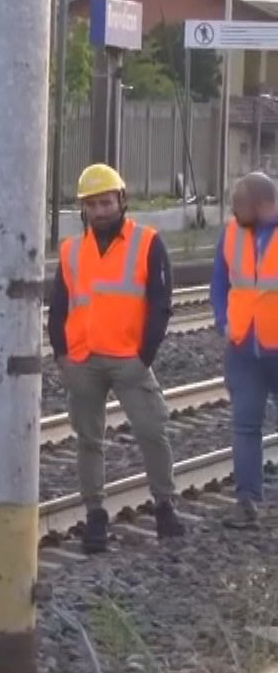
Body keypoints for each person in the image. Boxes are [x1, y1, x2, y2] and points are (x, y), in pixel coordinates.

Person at [49, 163, 184, 552]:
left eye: (106, 203)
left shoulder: (148, 243)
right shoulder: (71, 250)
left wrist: (144, 356)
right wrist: (62, 355)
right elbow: (58, 307)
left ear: (121, 200)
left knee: (152, 431)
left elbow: (160, 304)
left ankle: (164, 506)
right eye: (91, 205)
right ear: (83, 208)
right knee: (88, 440)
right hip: (83, 360)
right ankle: (95, 515)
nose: (99, 211)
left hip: (129, 360)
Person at [213, 171, 278, 529]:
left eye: (240, 206)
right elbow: (219, 282)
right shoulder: (232, 233)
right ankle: (247, 500)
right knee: (245, 426)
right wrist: (224, 321)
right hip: (242, 348)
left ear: (263, 205)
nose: (234, 213)